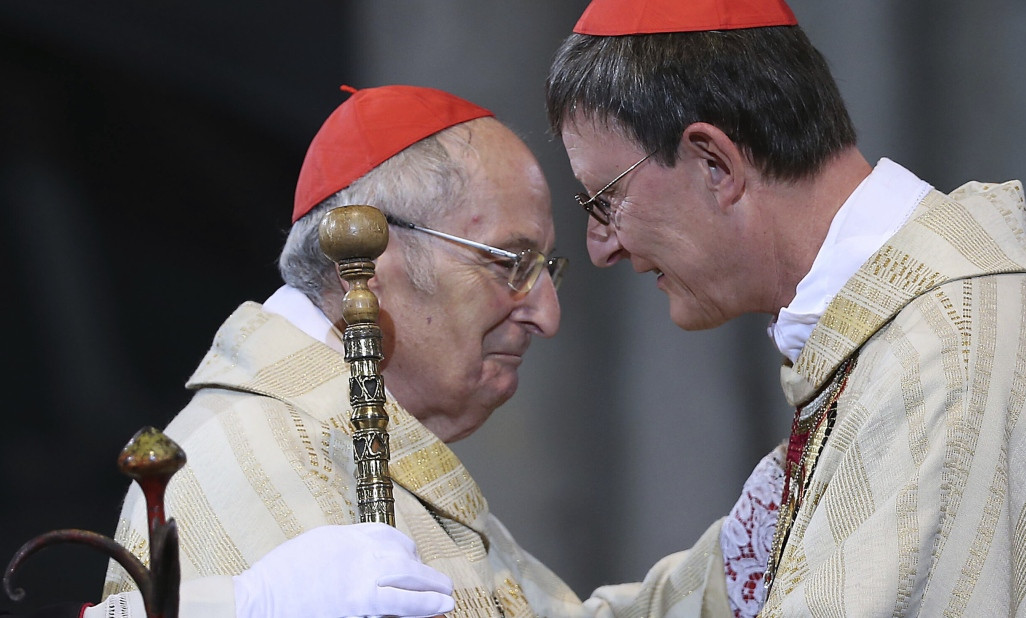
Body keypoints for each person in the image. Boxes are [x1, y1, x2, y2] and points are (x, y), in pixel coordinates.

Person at [545, 0, 1026, 616]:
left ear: (715, 164)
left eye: (604, 198)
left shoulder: (939, 367)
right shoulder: (900, 345)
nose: (600, 246)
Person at [100, 85, 732, 618]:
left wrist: (743, 556)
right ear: (368, 262)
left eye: (546, 270)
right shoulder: (251, 462)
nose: (547, 313)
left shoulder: (348, 438)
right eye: (512, 262)